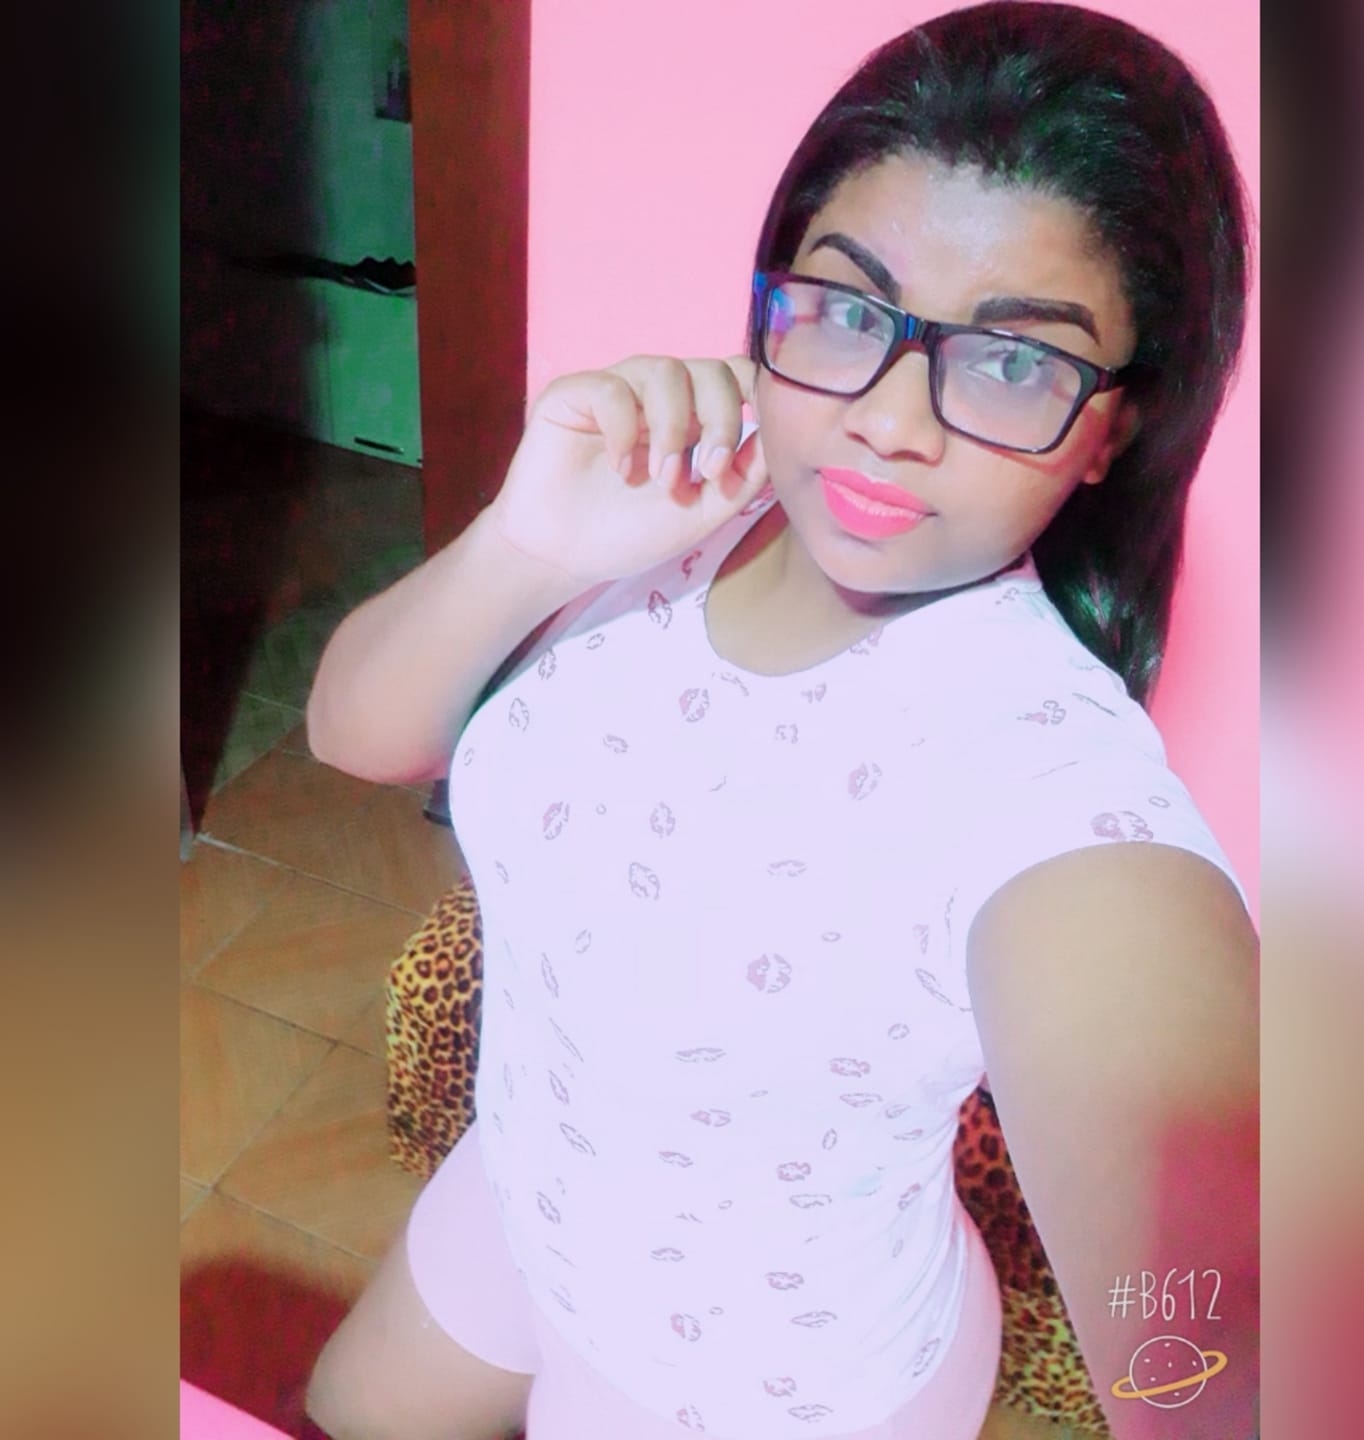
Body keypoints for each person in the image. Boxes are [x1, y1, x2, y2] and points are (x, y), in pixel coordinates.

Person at [302, 4, 1258, 1438]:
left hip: (769, 1379)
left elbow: (1223, 1356)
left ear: (1110, 429)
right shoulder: (681, 498)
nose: (889, 421)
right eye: (853, 311)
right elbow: (351, 734)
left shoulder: (1044, 785)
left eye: (1014, 362)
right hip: (520, 1196)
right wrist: (526, 544)